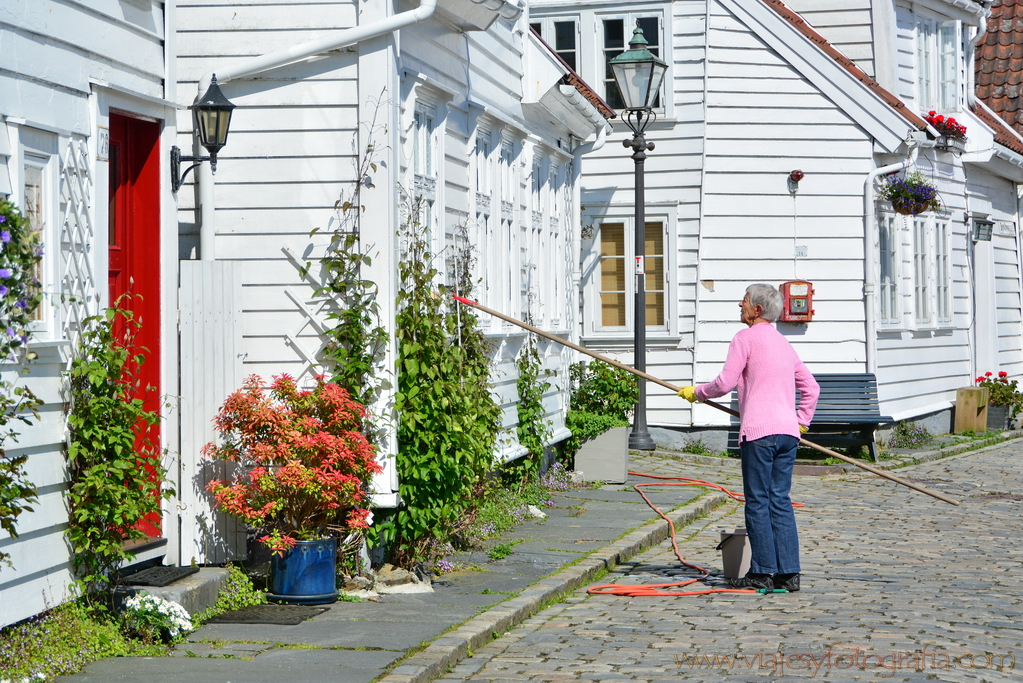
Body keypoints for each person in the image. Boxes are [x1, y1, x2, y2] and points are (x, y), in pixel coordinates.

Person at [678, 283, 819, 592]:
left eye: (743, 302)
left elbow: (725, 382)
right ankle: (788, 573)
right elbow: (812, 388)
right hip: (788, 436)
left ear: (757, 310)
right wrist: (801, 422)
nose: (738, 306)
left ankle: (762, 572)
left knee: (757, 502)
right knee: (779, 500)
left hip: (759, 434)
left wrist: (696, 393)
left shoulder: (744, 339)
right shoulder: (784, 344)